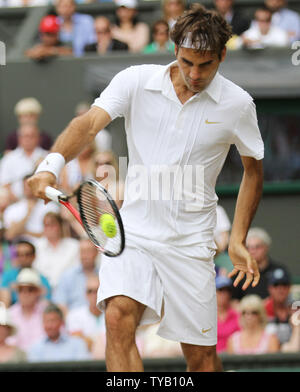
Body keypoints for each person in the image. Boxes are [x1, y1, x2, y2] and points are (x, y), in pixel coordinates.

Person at [28, 4, 264, 372]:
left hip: (190, 244)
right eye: (187, 62)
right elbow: (89, 125)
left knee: (202, 360)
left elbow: (253, 171)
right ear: (175, 51)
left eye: (205, 64)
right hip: (133, 235)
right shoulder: (135, 80)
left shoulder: (238, 105)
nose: (195, 73)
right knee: (118, 317)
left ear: (222, 54)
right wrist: (50, 166)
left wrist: (237, 239)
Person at [231, 227, 290, 301]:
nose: (252, 251)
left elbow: (286, 297)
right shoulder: (240, 274)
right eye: (248, 247)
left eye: (257, 247)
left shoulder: (279, 270)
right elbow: (233, 302)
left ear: (266, 248)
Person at [2, 175, 59, 243]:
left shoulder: (51, 207)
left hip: (45, 248)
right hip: (20, 250)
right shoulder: (12, 209)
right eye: (26, 186)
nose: (29, 189)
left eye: (31, 185)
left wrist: (24, 232)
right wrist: (28, 213)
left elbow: (53, 234)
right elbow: (9, 235)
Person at [0, 123, 48, 201]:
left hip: (42, 202)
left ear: (38, 138)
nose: (28, 139)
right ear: (19, 138)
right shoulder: (9, 158)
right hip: (14, 203)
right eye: (25, 136)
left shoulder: (47, 157)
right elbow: (5, 184)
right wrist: (18, 203)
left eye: (31, 136)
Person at [33, 212, 80, 289]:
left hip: (68, 289)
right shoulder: (36, 246)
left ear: (60, 226)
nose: (49, 228)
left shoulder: (74, 246)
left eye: (52, 225)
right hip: (42, 290)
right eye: (46, 225)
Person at [7, 268, 49, 353]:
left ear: (38, 292)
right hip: (16, 364)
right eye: (21, 290)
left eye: (30, 290)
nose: (25, 294)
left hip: (43, 361)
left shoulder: (47, 312)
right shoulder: (9, 314)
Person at [53, 238, 100, 314]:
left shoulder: (103, 275)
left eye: (88, 251)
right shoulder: (67, 276)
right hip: (73, 321)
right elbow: (60, 303)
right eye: (82, 252)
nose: (84, 255)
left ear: (96, 253)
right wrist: (71, 322)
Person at [0, 240, 51, 307]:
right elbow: (4, 303)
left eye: (27, 254)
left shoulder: (42, 279)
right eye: (19, 255)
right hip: (12, 313)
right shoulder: (8, 276)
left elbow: (46, 303)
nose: (23, 258)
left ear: (34, 256)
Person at [66, 274, 106, 357]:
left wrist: (89, 340)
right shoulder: (74, 315)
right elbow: (77, 343)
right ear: (85, 294)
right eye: (90, 291)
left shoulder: (113, 315)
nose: (94, 295)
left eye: (97, 290)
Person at [265, 267, 293, 345]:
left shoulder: (296, 309)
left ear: (289, 287)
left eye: (284, 284)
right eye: (276, 285)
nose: (280, 289)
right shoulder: (262, 309)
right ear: (269, 288)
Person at [215, 275, 240, 353]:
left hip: (233, 356)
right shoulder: (206, 316)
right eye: (220, 290)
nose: (224, 294)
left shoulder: (237, 315)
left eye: (227, 290)